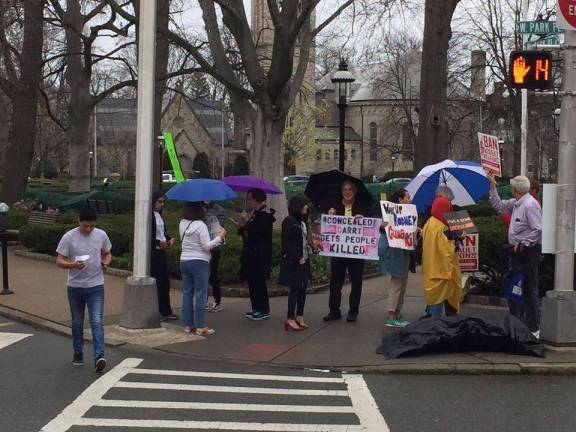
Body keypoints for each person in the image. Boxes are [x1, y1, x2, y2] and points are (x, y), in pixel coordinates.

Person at [56, 206, 112, 372]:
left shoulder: (101, 235)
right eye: (85, 225)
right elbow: (59, 260)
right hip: (75, 286)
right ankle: (78, 351)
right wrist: (72, 264)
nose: (88, 229)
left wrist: (106, 263)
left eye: (91, 226)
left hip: (96, 285)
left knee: (96, 321)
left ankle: (99, 356)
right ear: (79, 221)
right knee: (77, 321)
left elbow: (108, 252)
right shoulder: (69, 237)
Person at [487, 173, 542, 338]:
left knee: (529, 287)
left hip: (528, 252)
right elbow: (498, 205)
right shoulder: (517, 203)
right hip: (517, 251)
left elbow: (538, 228)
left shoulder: (530, 205)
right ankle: (517, 322)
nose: (511, 190)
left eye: (512, 187)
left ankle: (533, 327)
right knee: (514, 286)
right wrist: (492, 186)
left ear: (516, 190)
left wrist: (524, 243)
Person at [323, 180, 372, 322]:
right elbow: (328, 229)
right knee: (335, 282)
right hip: (338, 251)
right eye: (344, 189)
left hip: (356, 252)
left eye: (350, 189)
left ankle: (353, 311)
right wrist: (330, 217)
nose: (347, 192)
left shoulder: (362, 207)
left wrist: (363, 218)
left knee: (356, 282)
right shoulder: (334, 207)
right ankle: (334, 311)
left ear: (355, 191)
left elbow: (370, 228)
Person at [179, 202, 226, 336]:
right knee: (201, 294)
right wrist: (220, 236)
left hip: (184, 260)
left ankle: (188, 325)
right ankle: (200, 326)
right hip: (200, 261)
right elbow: (207, 245)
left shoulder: (182, 223)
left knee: (187, 293)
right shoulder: (201, 225)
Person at [236, 188, 275, 321]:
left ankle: (263, 309)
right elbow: (248, 231)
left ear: (257, 199)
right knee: (252, 281)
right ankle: (255, 308)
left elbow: (258, 231)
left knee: (259, 282)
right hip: (250, 252)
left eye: (250, 199)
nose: (249, 202)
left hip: (260, 253)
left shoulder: (265, 214)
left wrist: (247, 220)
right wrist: (240, 227)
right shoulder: (254, 213)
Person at [421, 197, 462, 318]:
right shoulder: (440, 227)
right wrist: (454, 242)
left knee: (433, 298)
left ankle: (430, 322)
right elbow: (446, 251)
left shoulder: (430, 222)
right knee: (438, 300)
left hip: (431, 268)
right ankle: (435, 327)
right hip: (441, 272)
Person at [378, 189, 414, 327]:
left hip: (405, 250)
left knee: (402, 284)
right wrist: (383, 226)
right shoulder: (390, 213)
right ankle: (391, 314)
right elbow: (383, 229)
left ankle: (397, 313)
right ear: (400, 200)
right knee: (397, 283)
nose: (410, 199)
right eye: (407, 197)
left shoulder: (408, 213)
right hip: (395, 251)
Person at [278, 195, 312, 331]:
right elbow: (285, 242)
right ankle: (290, 317)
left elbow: (304, 241)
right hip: (294, 261)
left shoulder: (303, 222)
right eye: (304, 204)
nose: (306, 207)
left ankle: (300, 315)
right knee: (295, 289)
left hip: (305, 259)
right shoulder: (288, 221)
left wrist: (312, 248)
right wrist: (297, 256)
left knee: (303, 288)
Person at [151, 190, 177, 322]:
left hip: (161, 251)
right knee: (159, 282)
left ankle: (166, 310)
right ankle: (161, 311)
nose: (161, 204)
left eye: (163, 202)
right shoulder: (150, 216)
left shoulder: (158, 215)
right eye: (159, 202)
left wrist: (169, 238)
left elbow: (161, 233)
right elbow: (149, 236)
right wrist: (158, 242)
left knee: (164, 282)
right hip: (154, 252)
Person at [203, 200, 226, 312]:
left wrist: (208, 220)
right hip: (203, 246)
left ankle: (217, 301)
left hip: (215, 246)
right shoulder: (200, 208)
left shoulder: (219, 209)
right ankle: (204, 301)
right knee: (203, 275)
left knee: (213, 275)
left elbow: (221, 227)